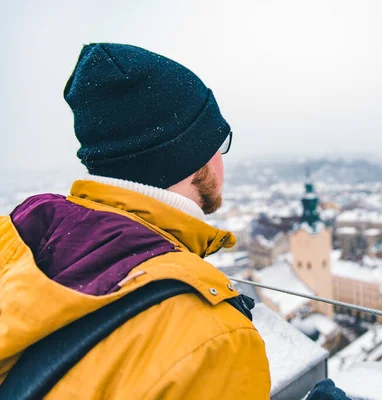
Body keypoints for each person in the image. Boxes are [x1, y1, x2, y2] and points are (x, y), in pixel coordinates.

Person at [0, 43, 271, 399]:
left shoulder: (20, 235)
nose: (222, 160)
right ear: (189, 155)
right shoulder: (215, 338)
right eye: (218, 143)